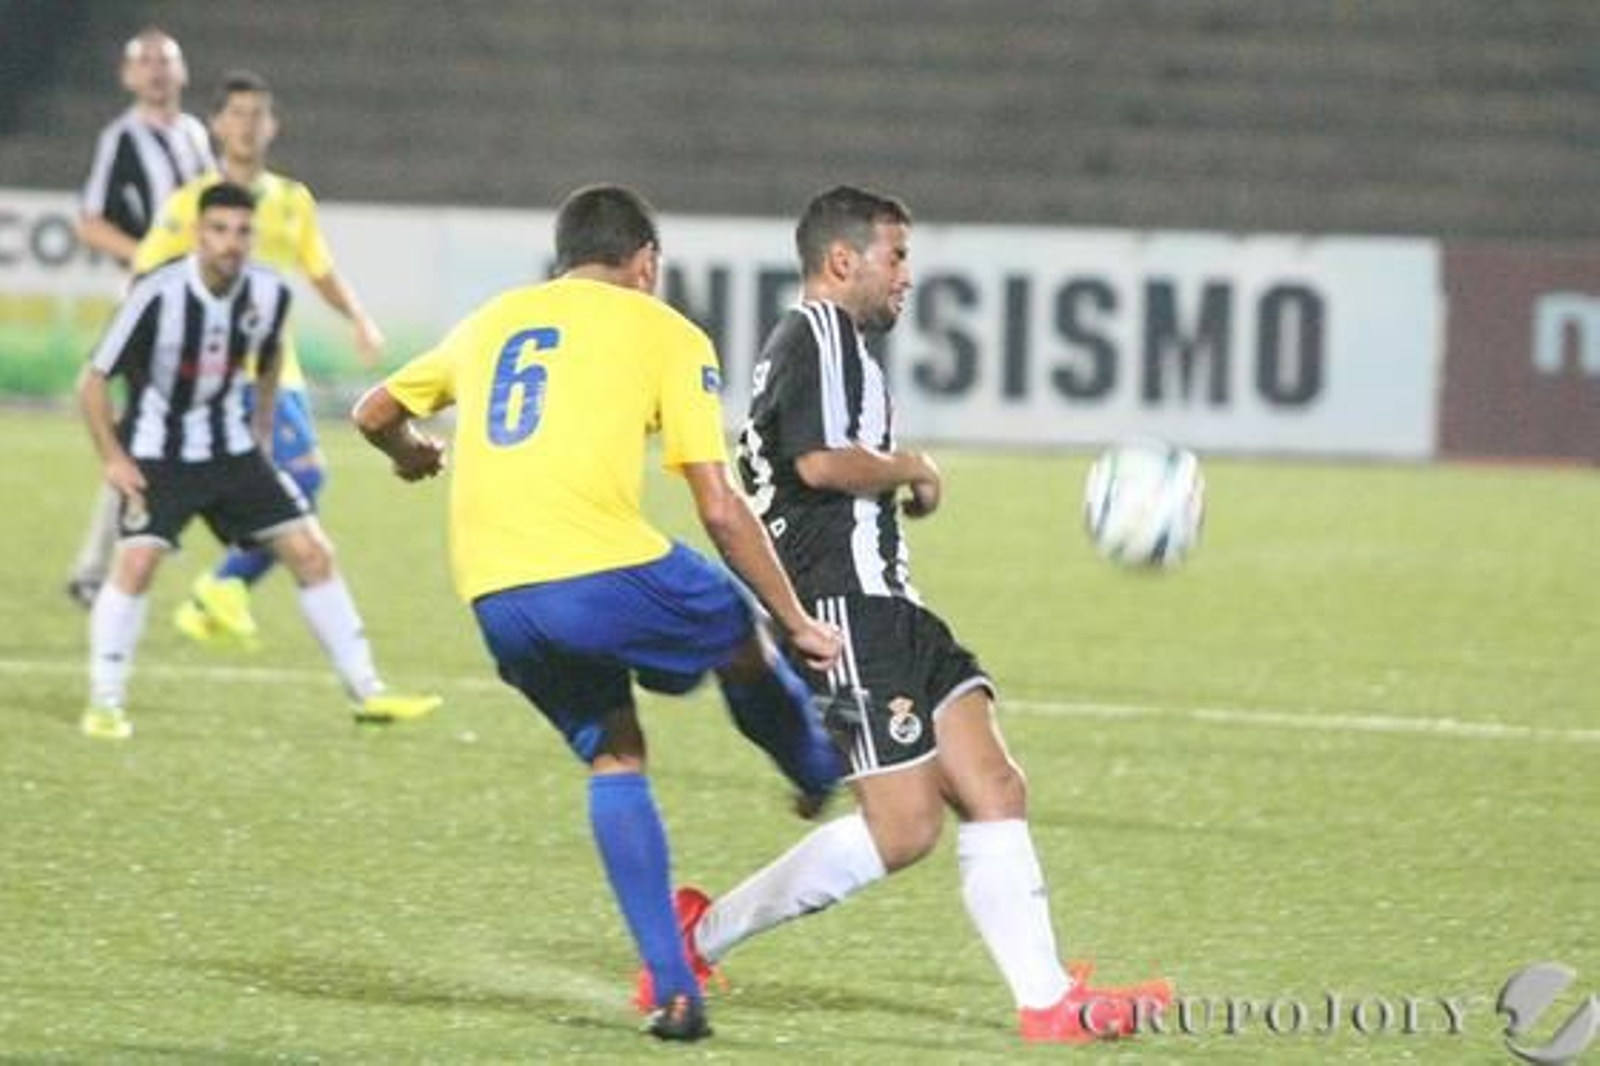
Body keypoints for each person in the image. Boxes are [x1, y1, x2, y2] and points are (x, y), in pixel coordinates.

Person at [643, 185, 1174, 1045]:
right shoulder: (818, 332)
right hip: (843, 609)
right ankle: (693, 941)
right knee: (904, 828)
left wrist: (896, 479)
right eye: (895, 256)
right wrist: (913, 466)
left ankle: (1048, 1001)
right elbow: (819, 464)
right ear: (841, 259)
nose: (906, 275)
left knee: (994, 785)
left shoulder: (831, 345)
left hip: (892, 606)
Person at [350, 184, 847, 1043]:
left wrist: (409, 456)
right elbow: (719, 505)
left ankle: (674, 992)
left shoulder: (494, 319)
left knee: (617, 754)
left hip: (496, 593)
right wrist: (797, 621)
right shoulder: (666, 331)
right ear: (645, 262)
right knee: (739, 632)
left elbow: (374, 413)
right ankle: (812, 767)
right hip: (598, 569)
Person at [77, 182, 441, 741]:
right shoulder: (156, 292)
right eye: (219, 230)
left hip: (233, 451)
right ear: (198, 233)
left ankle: (369, 694)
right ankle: (105, 703)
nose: (231, 242)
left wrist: (262, 432)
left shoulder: (269, 292)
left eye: (243, 231)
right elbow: (93, 380)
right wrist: (113, 459)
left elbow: (269, 359)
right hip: (158, 454)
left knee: (312, 553)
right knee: (138, 563)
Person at [131, 70, 386, 650]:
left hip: (277, 369)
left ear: (272, 125)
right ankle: (219, 586)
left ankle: (220, 590)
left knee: (297, 482)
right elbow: (147, 273)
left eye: (258, 114)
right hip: (217, 372)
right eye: (238, 114)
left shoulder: (293, 201)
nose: (248, 125)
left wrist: (359, 318)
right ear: (217, 124)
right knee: (302, 478)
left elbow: (320, 270)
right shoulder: (194, 203)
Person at [66, 27, 217, 607]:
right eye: (145, 61)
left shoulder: (195, 134)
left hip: (198, 300)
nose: (156, 70)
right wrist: (148, 258)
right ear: (128, 76)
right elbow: (89, 222)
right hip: (149, 301)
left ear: (182, 72)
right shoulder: (121, 139)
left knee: (178, 421)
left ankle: (134, 542)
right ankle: (99, 563)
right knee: (144, 427)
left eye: (165, 60)